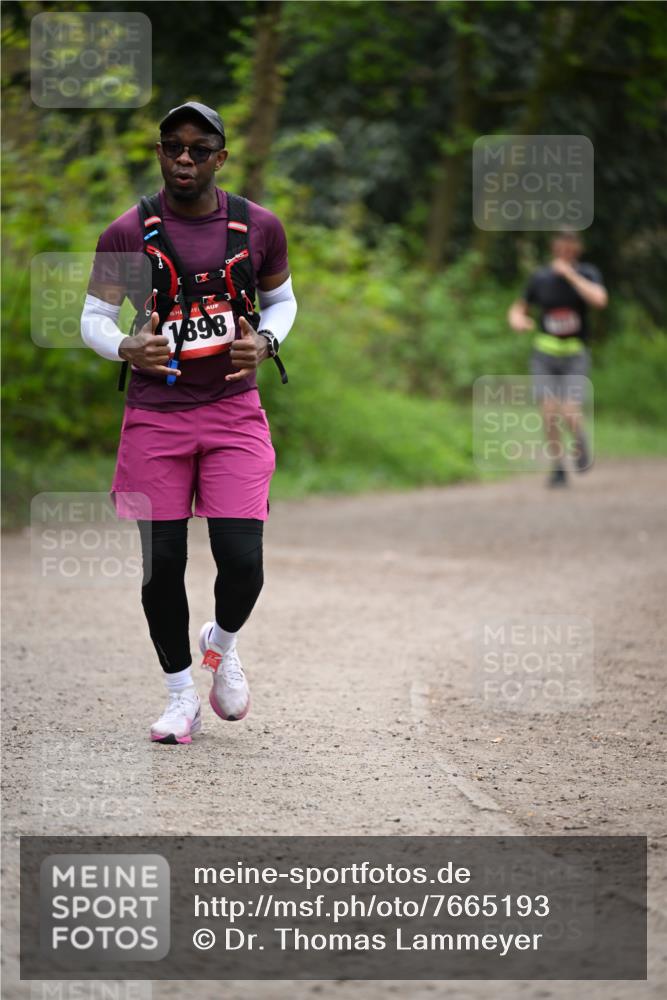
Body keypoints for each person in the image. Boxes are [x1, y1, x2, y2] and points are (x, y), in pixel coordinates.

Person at [80, 102, 297, 743]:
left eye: (198, 148)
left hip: (233, 413)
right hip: (156, 417)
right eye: (172, 146)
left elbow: (282, 301)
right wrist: (125, 346)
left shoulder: (259, 227)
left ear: (220, 158)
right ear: (159, 153)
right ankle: (180, 696)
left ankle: (220, 645)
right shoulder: (127, 231)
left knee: (242, 561)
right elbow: (94, 317)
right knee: (161, 566)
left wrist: (265, 340)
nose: (183, 158)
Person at [508, 231, 608, 487]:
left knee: (570, 410)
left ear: (577, 249)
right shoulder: (540, 278)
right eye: (560, 246)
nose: (565, 251)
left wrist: (570, 275)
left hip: (574, 354)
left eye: (570, 247)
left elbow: (599, 300)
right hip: (544, 354)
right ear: (554, 248)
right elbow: (519, 306)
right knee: (549, 411)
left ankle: (579, 439)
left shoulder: (587, 273)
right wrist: (517, 319)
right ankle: (558, 466)